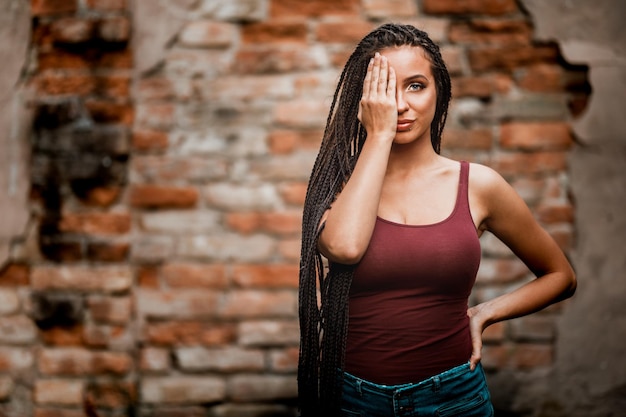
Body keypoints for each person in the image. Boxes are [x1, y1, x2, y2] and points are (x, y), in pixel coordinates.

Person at [297, 23, 577, 416]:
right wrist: (378, 136)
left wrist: (484, 313)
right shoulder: (338, 188)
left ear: (438, 91)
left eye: (415, 85)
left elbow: (561, 276)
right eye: (385, 89)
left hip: (455, 400)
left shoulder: (478, 185)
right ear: (363, 101)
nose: (400, 104)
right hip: (353, 402)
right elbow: (346, 246)